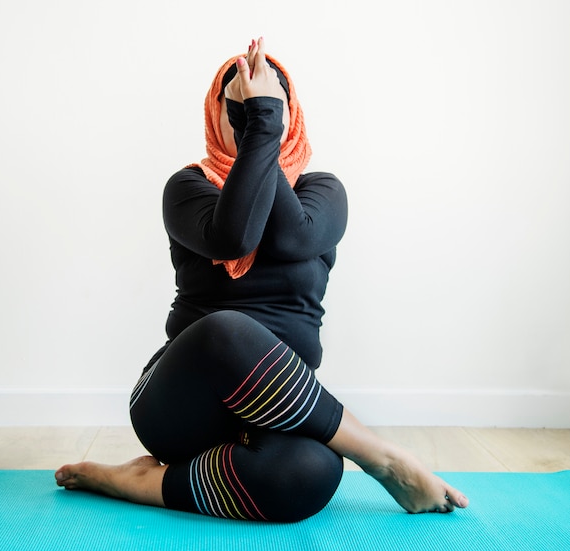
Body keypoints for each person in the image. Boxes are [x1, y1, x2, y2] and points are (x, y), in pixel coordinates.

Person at [55, 38, 469, 522]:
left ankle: (139, 483)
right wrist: (263, 123)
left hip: (275, 408)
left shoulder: (324, 190)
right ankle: (383, 457)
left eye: (268, 111)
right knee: (227, 328)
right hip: (179, 405)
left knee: (313, 471)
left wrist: (260, 124)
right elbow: (234, 235)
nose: (254, 121)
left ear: (288, 116)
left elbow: (292, 238)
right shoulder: (187, 186)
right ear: (217, 116)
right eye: (241, 111)